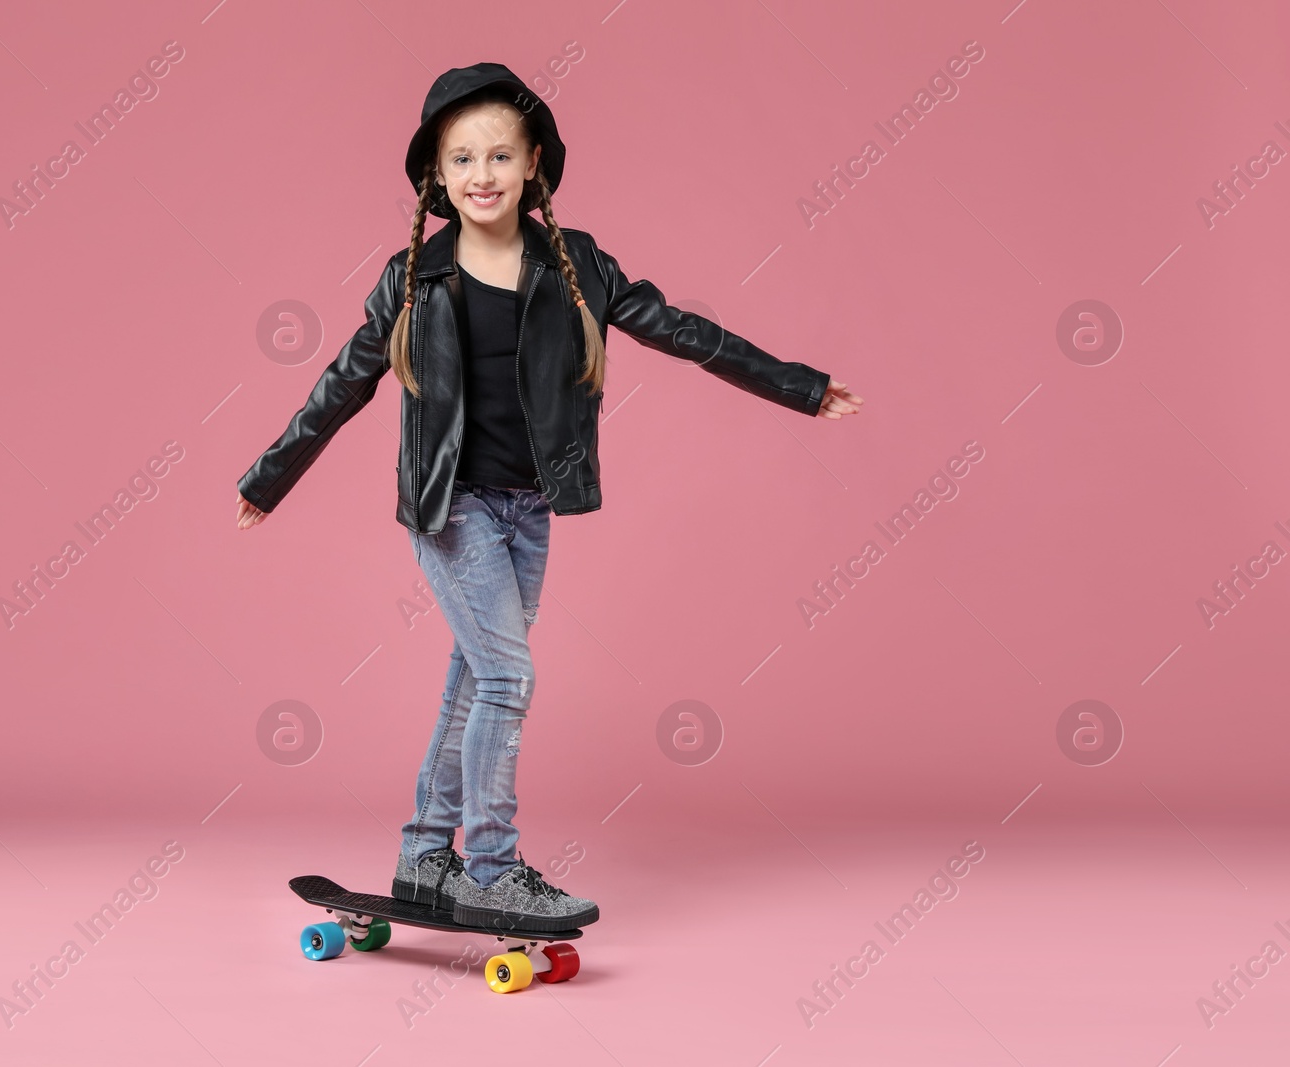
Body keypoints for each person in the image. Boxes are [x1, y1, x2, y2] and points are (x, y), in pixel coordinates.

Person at [235, 63, 864, 933]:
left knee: (474, 674)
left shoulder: (578, 268)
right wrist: (271, 477)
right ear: (438, 177)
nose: (481, 174)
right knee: (507, 674)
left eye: (499, 154)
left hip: (528, 510)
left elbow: (685, 331)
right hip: (449, 506)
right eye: (462, 159)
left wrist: (797, 385)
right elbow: (344, 381)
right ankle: (489, 868)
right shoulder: (413, 275)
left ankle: (425, 854)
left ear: (534, 164)